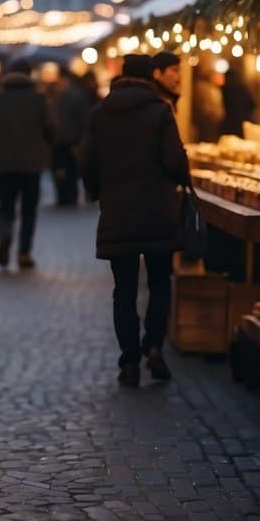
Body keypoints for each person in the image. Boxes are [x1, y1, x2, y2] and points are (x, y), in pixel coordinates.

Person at [79, 54, 192, 387]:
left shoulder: (100, 113)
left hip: (118, 213)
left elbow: (86, 159)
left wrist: (97, 191)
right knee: (159, 283)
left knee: (124, 290)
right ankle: (153, 347)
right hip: (158, 211)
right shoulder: (159, 112)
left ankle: (128, 360)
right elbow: (175, 161)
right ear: (150, 78)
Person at [0, 58, 54, 270]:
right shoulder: (39, 99)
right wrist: (45, 146)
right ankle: (24, 252)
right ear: (30, 74)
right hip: (31, 163)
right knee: (29, 210)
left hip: (3, 163)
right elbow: (50, 128)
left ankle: (4, 235)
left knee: (5, 206)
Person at [43, 65, 88, 206]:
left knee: (63, 169)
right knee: (68, 169)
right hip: (68, 138)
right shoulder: (75, 94)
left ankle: (64, 196)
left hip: (63, 138)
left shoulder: (57, 95)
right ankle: (68, 196)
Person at [219, 67, 257, 137]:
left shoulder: (225, 89)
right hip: (242, 121)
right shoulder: (243, 88)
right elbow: (253, 104)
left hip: (229, 123)